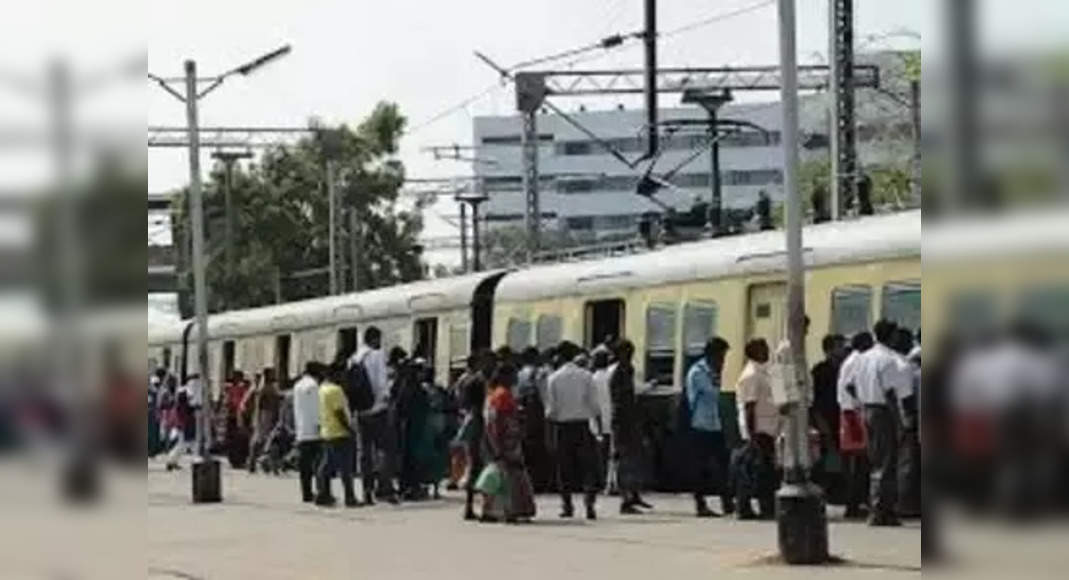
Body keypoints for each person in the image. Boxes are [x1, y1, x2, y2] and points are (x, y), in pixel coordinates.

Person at [855, 320, 913, 526]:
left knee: (876, 460)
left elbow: (851, 385)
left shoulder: (863, 358)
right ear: (891, 336)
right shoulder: (888, 360)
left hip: (866, 409)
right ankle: (881, 510)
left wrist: (862, 402)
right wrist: (901, 419)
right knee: (887, 462)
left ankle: (879, 507)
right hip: (883, 412)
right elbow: (891, 393)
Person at [545, 341, 601, 520]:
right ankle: (589, 504)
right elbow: (594, 405)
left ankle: (567, 505)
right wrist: (598, 429)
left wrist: (549, 433)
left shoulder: (553, 378)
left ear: (559, 357)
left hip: (562, 427)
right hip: (583, 425)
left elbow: (551, 410)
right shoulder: (586, 376)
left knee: (564, 468)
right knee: (588, 467)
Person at [478, 364, 537, 523]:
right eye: (514, 375)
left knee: (500, 475)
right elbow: (499, 419)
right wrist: (501, 443)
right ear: (505, 377)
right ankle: (510, 510)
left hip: (499, 439)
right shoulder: (502, 395)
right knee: (509, 476)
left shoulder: (494, 394)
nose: (516, 378)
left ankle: (490, 510)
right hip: (506, 440)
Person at [684, 337, 734, 517]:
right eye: (720, 356)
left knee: (723, 464)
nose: (722, 360)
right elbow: (712, 393)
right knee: (701, 467)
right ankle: (700, 503)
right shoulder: (698, 372)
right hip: (701, 424)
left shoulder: (715, 371)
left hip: (716, 424)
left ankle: (727, 502)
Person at [349, 326, 399, 505]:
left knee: (364, 453)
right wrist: (386, 400)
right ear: (375, 339)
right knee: (385, 449)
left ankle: (366, 491)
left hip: (361, 411)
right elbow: (381, 383)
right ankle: (384, 488)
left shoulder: (354, 358)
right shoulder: (377, 355)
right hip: (377, 410)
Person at [733, 338, 778, 520]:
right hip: (759, 429)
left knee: (762, 470)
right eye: (763, 348)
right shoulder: (751, 375)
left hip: (769, 427)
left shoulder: (764, 372)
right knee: (756, 470)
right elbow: (749, 407)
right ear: (754, 352)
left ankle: (762, 506)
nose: (767, 351)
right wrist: (752, 435)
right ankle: (748, 506)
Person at [608, 339, 653, 514]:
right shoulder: (617, 373)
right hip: (622, 421)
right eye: (627, 353)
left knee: (635, 458)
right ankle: (625, 499)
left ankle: (634, 494)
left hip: (631, 420)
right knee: (624, 460)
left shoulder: (628, 370)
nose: (630, 357)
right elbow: (619, 400)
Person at [838, 331, 875, 519]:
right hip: (853, 413)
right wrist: (863, 400)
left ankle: (855, 501)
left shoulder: (851, 360)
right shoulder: (857, 360)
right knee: (858, 461)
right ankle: (853, 503)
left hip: (850, 411)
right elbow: (850, 385)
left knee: (858, 461)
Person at [457, 350, 495, 520]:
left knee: (476, 466)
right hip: (481, 426)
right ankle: (483, 508)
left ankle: (472, 507)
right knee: (484, 466)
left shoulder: (473, 381)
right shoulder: (480, 382)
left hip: (475, 425)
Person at [315, 363, 359, 507]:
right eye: (342, 374)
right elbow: (339, 412)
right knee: (346, 468)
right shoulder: (335, 390)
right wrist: (350, 430)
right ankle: (350, 498)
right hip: (340, 432)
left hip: (327, 431)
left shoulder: (322, 389)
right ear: (336, 374)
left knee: (326, 465)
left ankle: (323, 493)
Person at [810, 334, 847, 495]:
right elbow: (815, 400)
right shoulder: (820, 371)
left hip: (842, 418)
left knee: (842, 454)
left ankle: (839, 487)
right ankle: (828, 488)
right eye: (839, 346)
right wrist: (819, 421)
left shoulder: (845, 368)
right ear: (829, 350)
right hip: (826, 418)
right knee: (828, 453)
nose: (843, 350)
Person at [892, 327, 921, 519]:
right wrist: (909, 418)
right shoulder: (905, 366)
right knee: (908, 463)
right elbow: (906, 397)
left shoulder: (902, 364)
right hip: (907, 419)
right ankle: (906, 505)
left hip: (901, 417)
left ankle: (906, 503)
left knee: (905, 462)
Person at [516, 346, 552, 493]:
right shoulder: (538, 373)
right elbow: (544, 395)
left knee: (527, 449)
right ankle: (540, 482)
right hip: (536, 414)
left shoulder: (519, 374)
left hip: (523, 416)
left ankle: (529, 481)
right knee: (539, 449)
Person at [293, 361, 324, 503]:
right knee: (318, 464)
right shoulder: (313, 386)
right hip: (313, 430)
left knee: (304, 466)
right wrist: (320, 425)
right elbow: (316, 408)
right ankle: (321, 491)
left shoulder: (297, 385)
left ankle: (306, 493)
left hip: (301, 429)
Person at [243, 368, 281, 474]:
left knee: (266, 440)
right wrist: (258, 418)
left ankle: (266, 464)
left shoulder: (270, 387)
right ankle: (255, 463)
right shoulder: (263, 388)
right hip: (265, 415)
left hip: (268, 415)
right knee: (261, 440)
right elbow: (259, 404)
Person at [590, 347, 614, 496]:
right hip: (612, 421)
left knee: (599, 456)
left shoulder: (592, 379)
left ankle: (601, 483)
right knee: (612, 455)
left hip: (597, 422)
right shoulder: (612, 375)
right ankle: (610, 483)